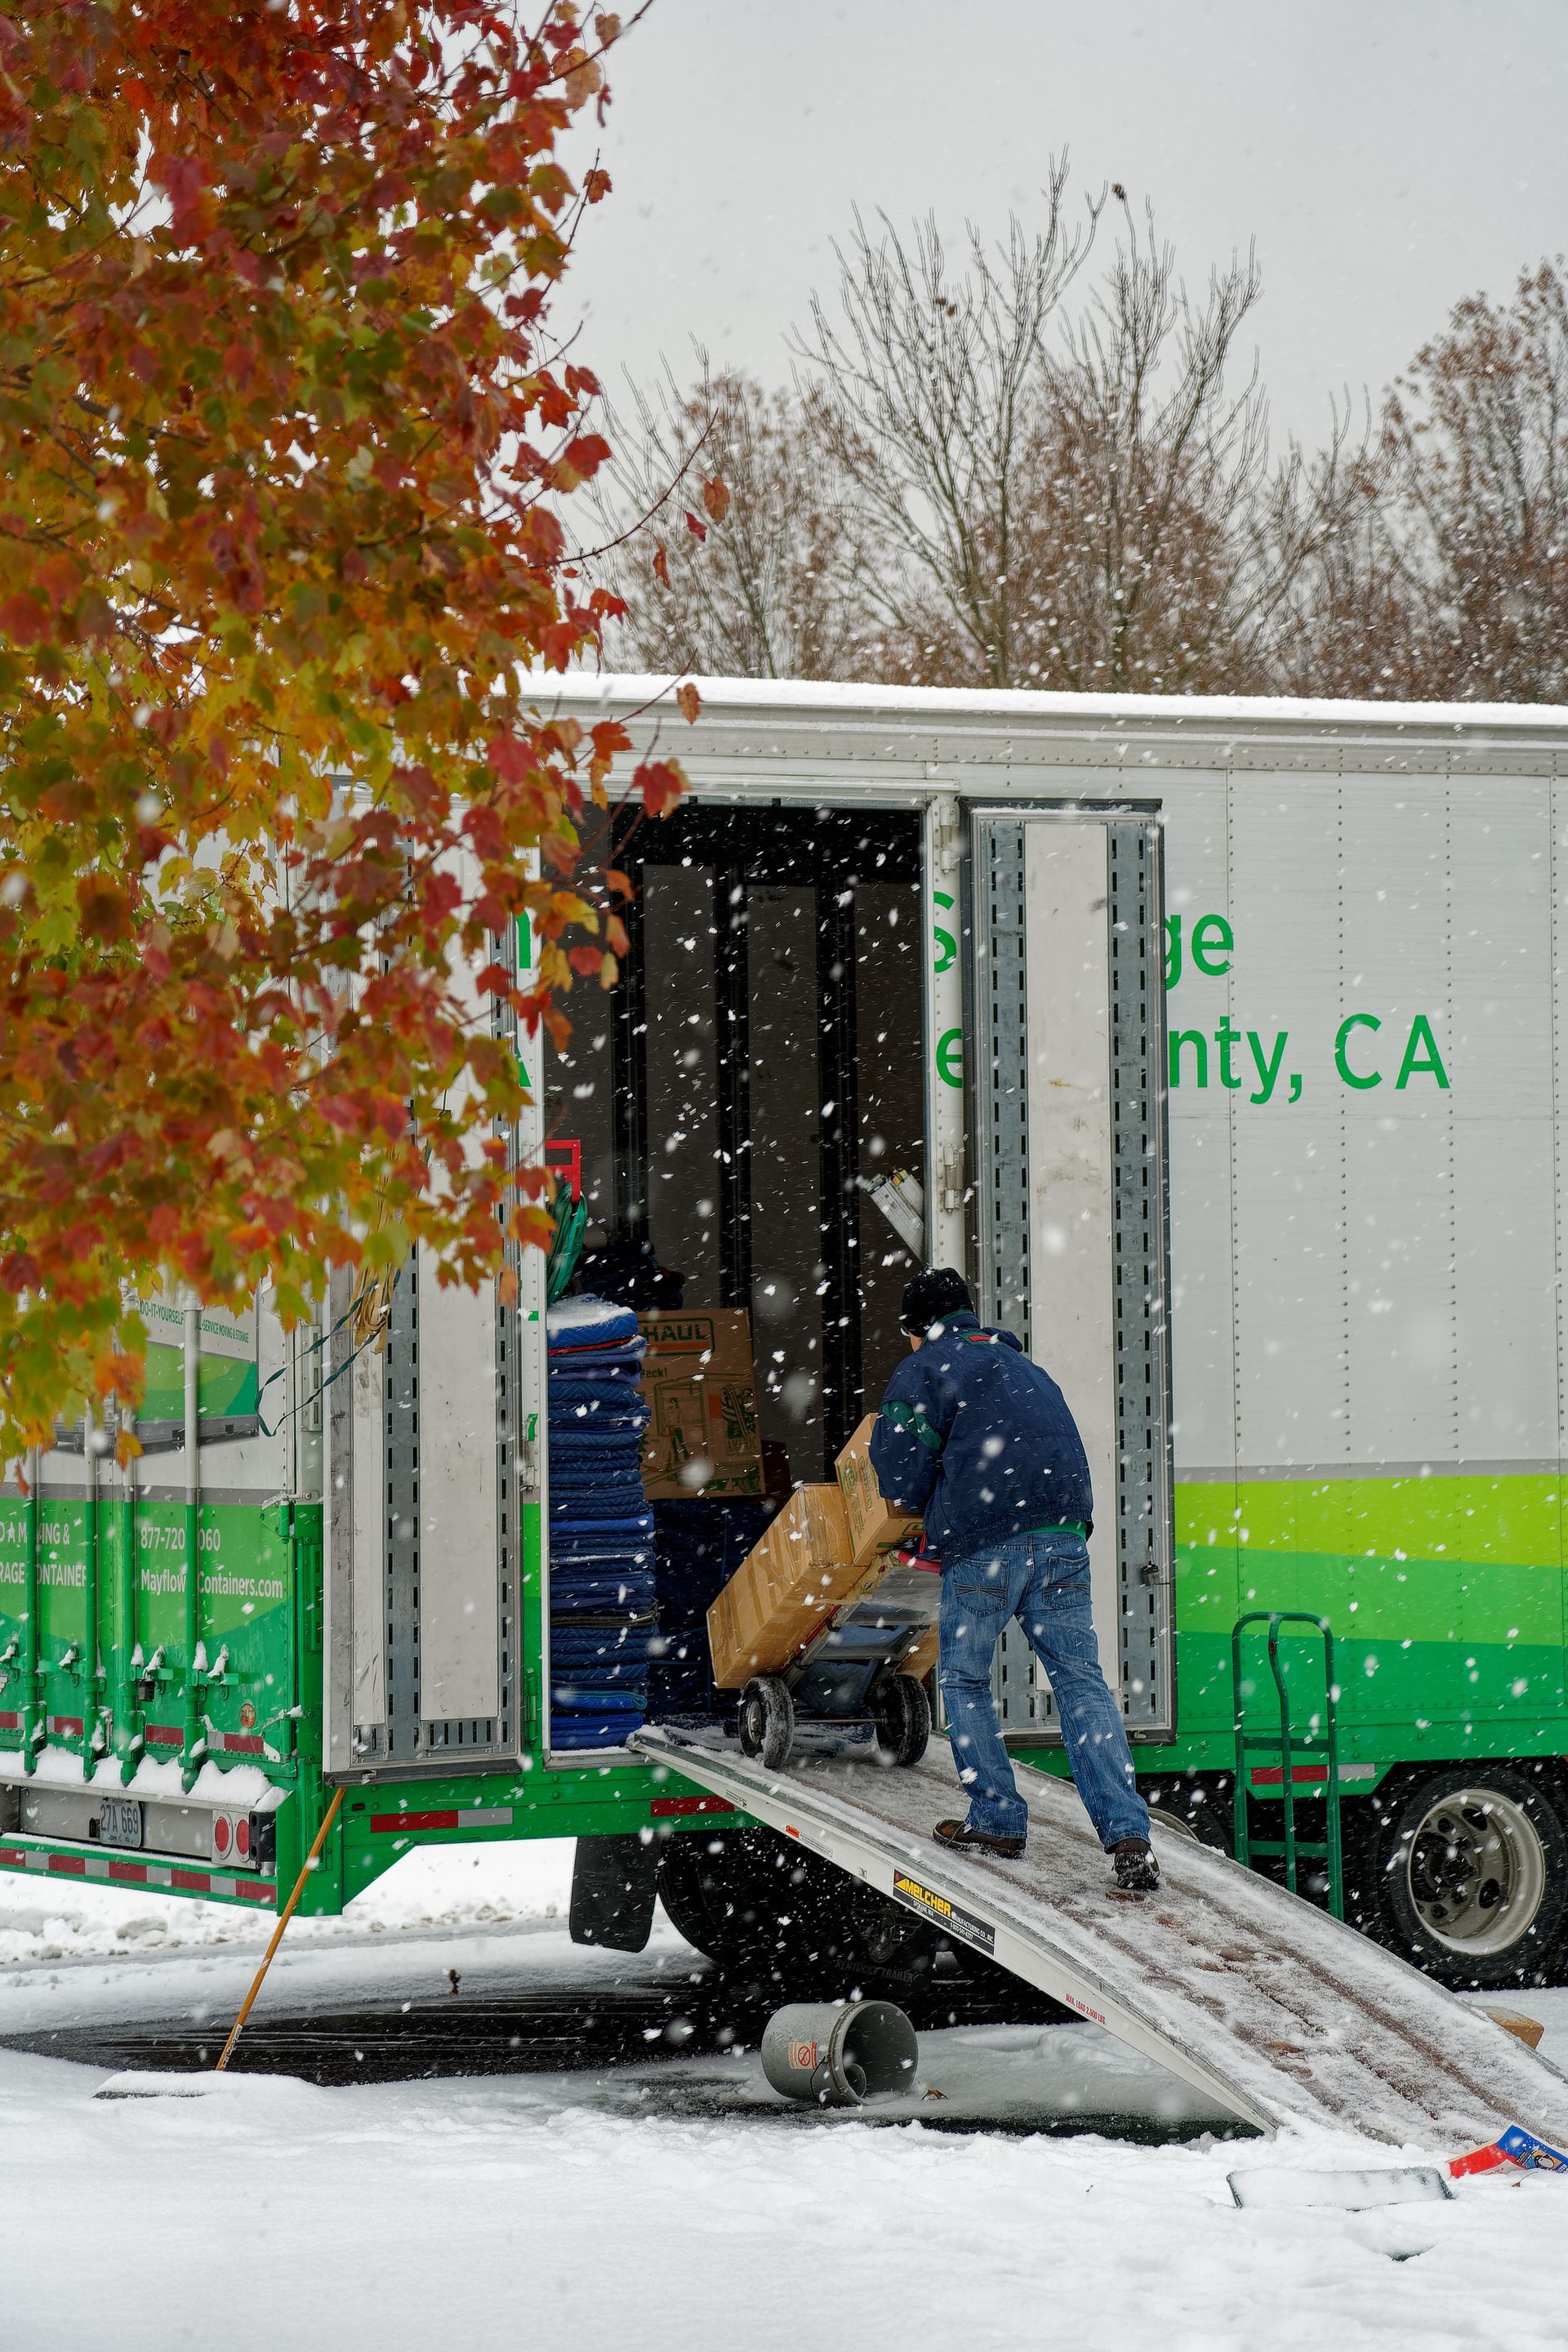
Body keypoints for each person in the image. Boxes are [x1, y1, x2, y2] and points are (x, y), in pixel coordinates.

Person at [869, 1267, 1159, 1891]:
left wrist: (927, 1498)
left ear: (915, 1330)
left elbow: (896, 1474)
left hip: (988, 1542)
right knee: (1081, 1682)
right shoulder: (1025, 1367)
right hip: (1064, 1536)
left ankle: (998, 1817)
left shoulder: (927, 1367)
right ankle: (1130, 1833)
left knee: (965, 1676)